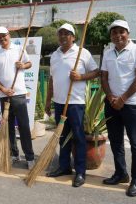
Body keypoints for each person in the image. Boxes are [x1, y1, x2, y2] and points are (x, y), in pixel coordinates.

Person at [45, 23, 99, 187]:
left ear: (73, 37)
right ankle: (64, 167)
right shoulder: (54, 55)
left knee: (78, 137)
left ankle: (80, 172)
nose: (63, 36)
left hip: (75, 102)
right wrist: (48, 101)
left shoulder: (82, 52)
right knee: (63, 136)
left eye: (67, 34)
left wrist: (81, 77)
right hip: (60, 102)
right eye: (60, 34)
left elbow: (97, 72)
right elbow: (51, 80)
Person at [101, 20, 136, 197]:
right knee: (115, 141)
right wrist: (111, 97)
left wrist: (123, 99)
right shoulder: (107, 53)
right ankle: (121, 173)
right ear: (111, 36)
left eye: (122, 32)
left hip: (133, 105)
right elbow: (104, 78)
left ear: (128, 33)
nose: (118, 35)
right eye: (114, 33)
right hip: (112, 104)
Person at [0, 26, 35, 169]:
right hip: (4, 96)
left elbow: (29, 63)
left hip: (19, 94)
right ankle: (14, 154)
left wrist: (22, 65)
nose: (2, 39)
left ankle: (29, 157)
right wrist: (3, 89)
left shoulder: (18, 49)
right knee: (8, 128)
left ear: (9, 35)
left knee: (23, 127)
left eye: (4, 36)